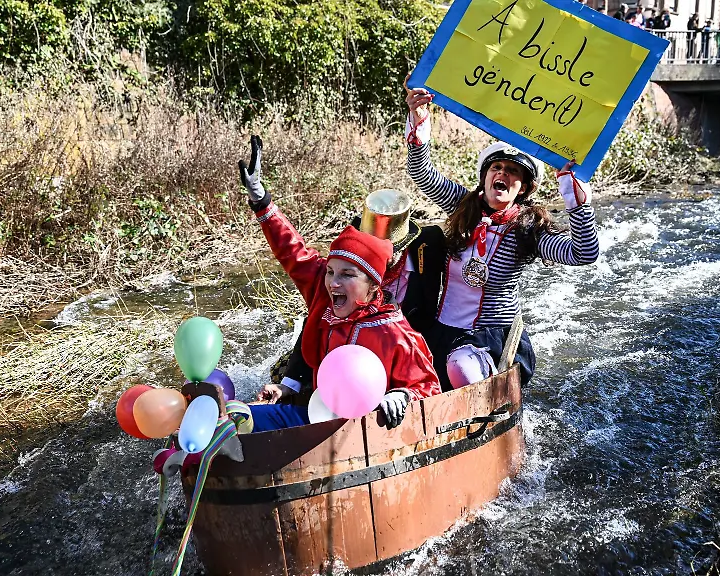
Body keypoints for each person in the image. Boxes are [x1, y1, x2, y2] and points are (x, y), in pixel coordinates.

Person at [238, 136, 441, 431]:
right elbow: (293, 252)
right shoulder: (328, 284)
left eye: (346, 275)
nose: (334, 282)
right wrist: (261, 201)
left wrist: (403, 394)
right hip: (317, 411)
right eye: (332, 272)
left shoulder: (397, 333)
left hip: (369, 432)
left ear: (375, 282)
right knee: (232, 418)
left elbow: (427, 386)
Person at [404, 84, 599, 391]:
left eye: (512, 171)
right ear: (485, 176)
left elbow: (583, 254)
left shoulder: (526, 227)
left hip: (490, 338)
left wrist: (578, 204)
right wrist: (419, 119)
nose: (503, 174)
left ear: (522, 187)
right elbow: (421, 172)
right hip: (443, 329)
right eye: (497, 167)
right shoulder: (462, 205)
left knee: (462, 370)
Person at [271, 190, 448, 399]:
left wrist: (406, 391)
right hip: (336, 364)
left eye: (385, 249)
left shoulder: (428, 253)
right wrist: (291, 382)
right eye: (370, 245)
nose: (377, 252)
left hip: (400, 364)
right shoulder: (338, 274)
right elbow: (295, 255)